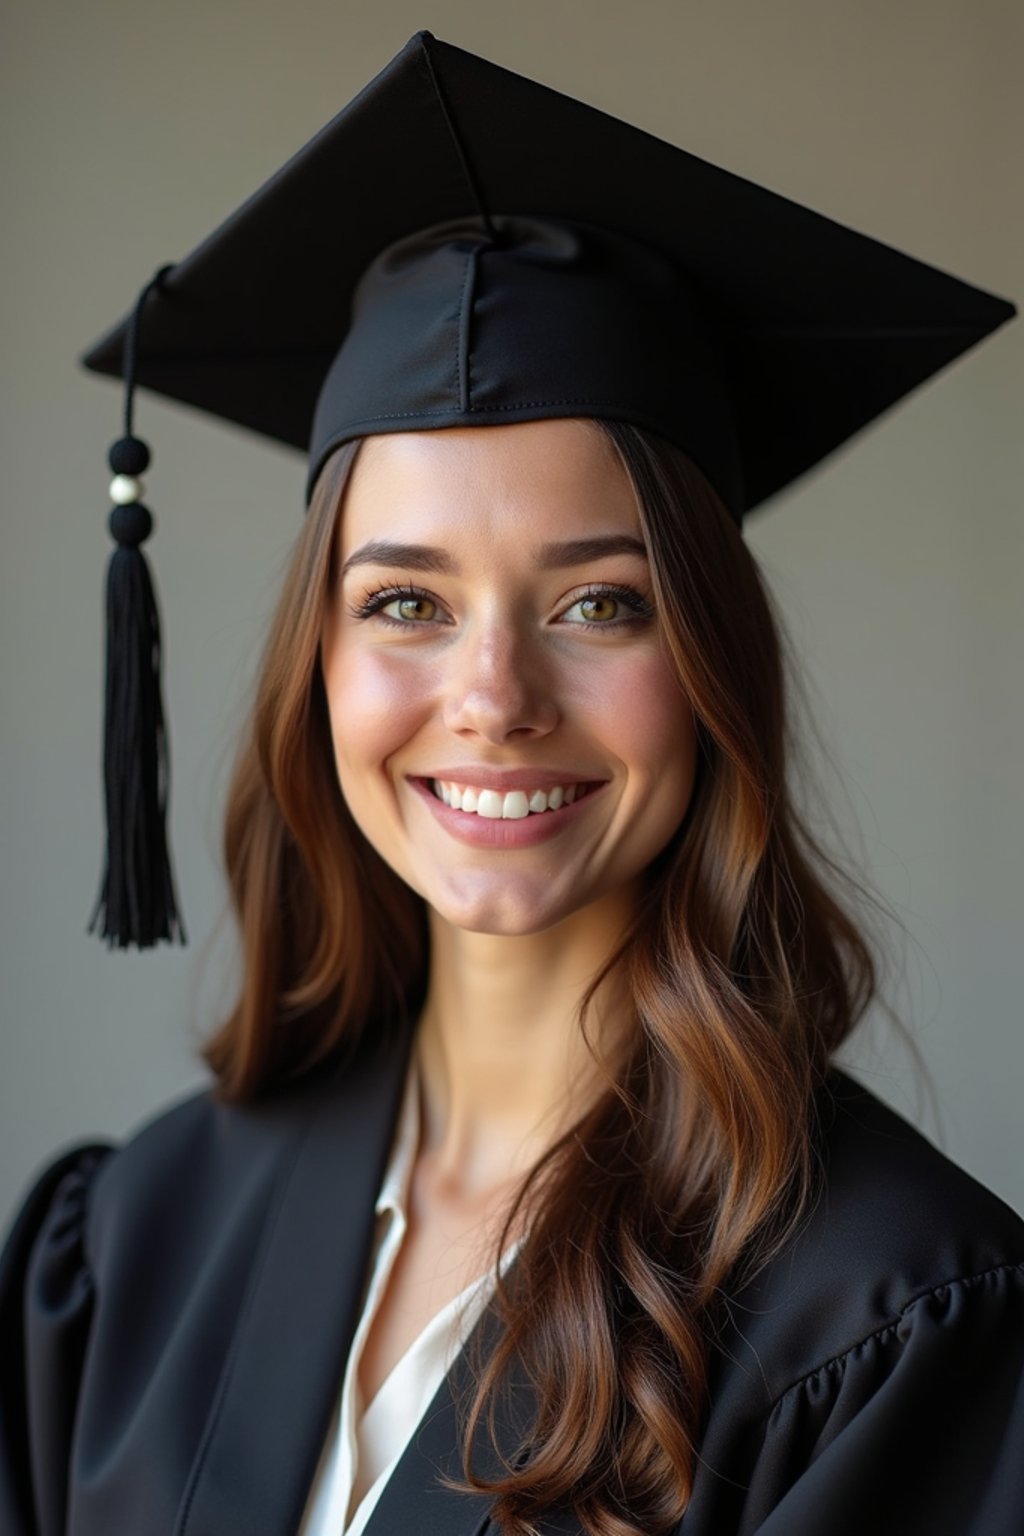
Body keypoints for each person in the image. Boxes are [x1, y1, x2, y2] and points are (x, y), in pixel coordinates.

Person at [1, 29, 1022, 1536]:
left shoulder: (882, 1315)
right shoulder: (146, 1233)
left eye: (598, 603)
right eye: (406, 603)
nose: (491, 701)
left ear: (714, 662)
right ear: (320, 667)